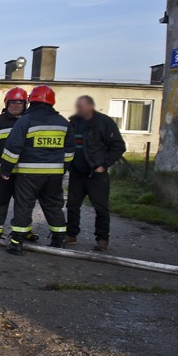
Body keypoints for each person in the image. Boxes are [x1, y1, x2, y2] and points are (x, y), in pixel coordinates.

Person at [0, 85, 75, 255]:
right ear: (51, 102)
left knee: (24, 206)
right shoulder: (63, 123)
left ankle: (16, 243)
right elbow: (70, 152)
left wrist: (6, 170)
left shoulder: (25, 121)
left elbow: (13, 148)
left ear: (31, 101)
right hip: (54, 174)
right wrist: (63, 169)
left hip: (29, 173)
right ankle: (58, 241)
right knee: (54, 206)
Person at [65, 95, 126, 251]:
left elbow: (118, 146)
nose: (79, 109)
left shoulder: (104, 123)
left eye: (82, 106)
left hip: (96, 174)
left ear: (91, 106)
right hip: (77, 173)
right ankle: (71, 234)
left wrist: (104, 165)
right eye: (78, 106)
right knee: (72, 205)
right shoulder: (73, 122)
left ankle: (102, 239)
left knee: (100, 208)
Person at [0, 87, 37, 241]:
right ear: (6, 103)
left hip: (24, 171)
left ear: (26, 104)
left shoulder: (31, 122)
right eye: (13, 102)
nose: (16, 106)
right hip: (1, 170)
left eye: (20, 103)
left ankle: (24, 230)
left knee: (24, 203)